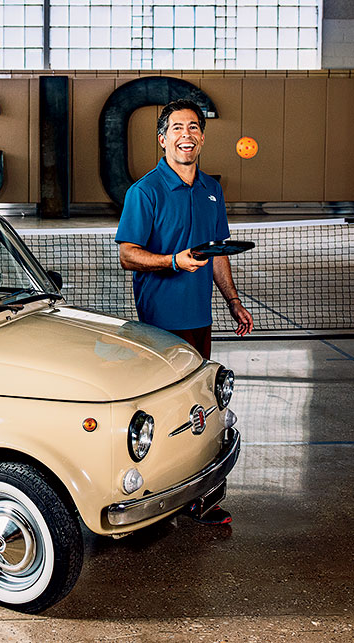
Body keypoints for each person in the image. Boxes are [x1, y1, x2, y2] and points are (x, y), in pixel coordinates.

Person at [115, 99, 254, 526]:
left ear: (202, 137)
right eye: (176, 129)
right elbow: (127, 254)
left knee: (202, 409)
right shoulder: (145, 192)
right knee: (166, 417)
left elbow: (217, 254)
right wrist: (173, 261)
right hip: (160, 326)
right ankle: (155, 499)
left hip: (200, 320)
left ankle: (201, 499)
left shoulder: (212, 190)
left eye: (193, 128)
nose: (186, 135)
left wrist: (233, 301)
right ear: (162, 139)